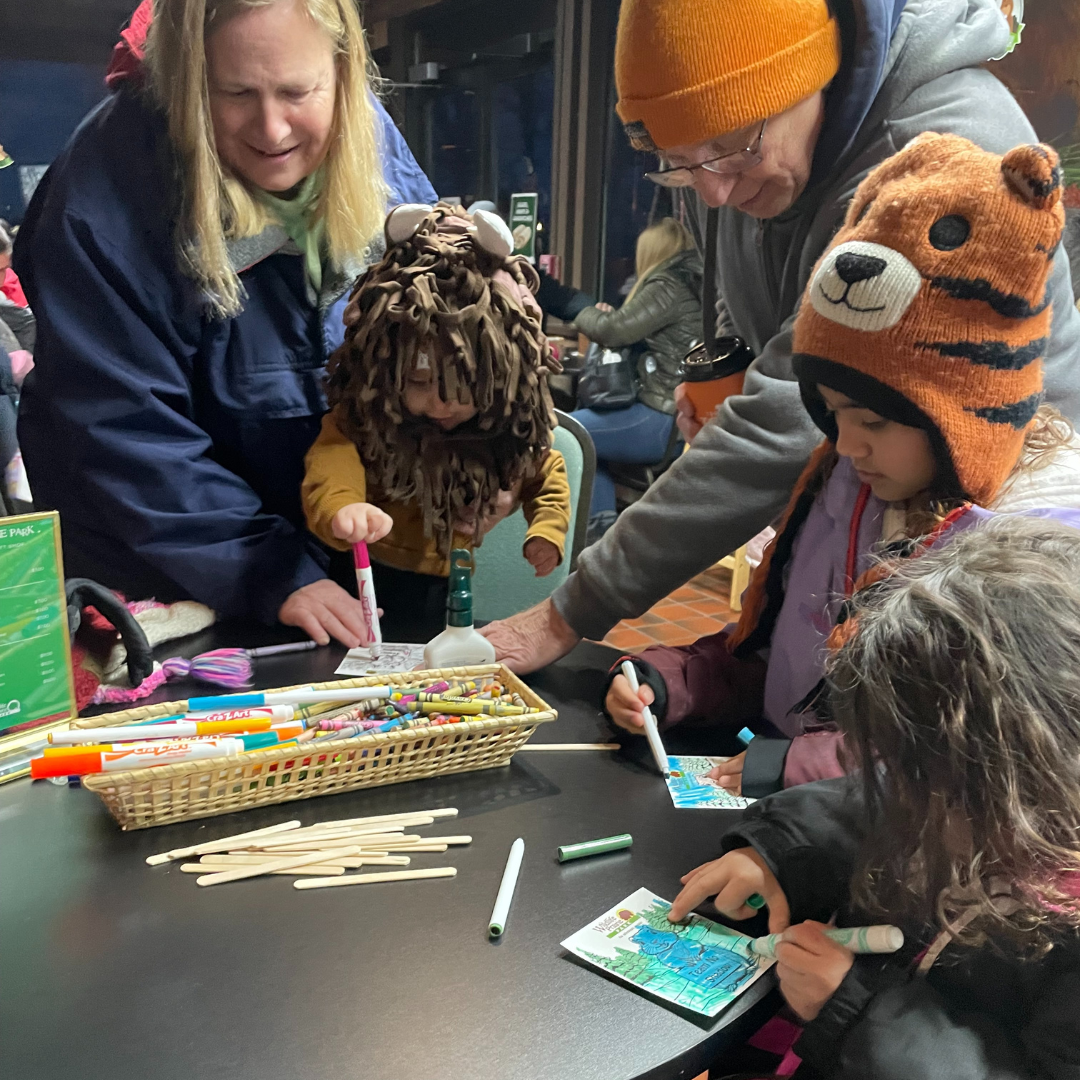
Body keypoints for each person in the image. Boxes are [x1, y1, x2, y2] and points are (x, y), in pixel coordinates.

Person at [480, 0, 1080, 673]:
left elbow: (787, 415)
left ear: (813, 75)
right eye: (679, 165)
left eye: (733, 149)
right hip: (863, 501)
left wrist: (572, 610)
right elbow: (758, 300)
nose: (712, 193)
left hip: (987, 551)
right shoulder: (743, 158)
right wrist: (733, 365)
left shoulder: (938, 149)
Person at [604, 135, 1080, 797]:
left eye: (875, 420)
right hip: (786, 819)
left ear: (960, 411)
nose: (846, 443)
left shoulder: (1012, 556)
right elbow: (777, 662)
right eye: (832, 412)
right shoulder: (842, 482)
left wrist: (795, 770)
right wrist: (670, 680)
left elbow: (958, 755)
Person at [13, 0, 436, 647]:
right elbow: (123, 430)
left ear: (343, 72)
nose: (272, 129)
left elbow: (432, 322)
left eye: (298, 92)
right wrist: (272, 572)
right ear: (185, 80)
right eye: (234, 93)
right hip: (156, 570)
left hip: (335, 536)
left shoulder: (368, 137)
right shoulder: (100, 192)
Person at [667, 515, 1080, 1080]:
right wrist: (773, 853)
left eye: (922, 777)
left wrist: (854, 1009)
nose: (898, 788)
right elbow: (868, 804)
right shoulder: (961, 797)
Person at [301, 203, 571, 641]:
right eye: (419, 380)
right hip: (361, 577)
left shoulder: (506, 433)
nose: (442, 403)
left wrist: (547, 530)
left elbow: (546, 473)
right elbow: (333, 458)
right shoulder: (367, 422)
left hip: (452, 577)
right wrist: (342, 509)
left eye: (465, 385)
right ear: (384, 367)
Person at [570, 217, 701, 541]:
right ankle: (598, 532)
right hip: (677, 417)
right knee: (586, 447)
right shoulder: (692, 282)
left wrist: (577, 310)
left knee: (566, 434)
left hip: (659, 419)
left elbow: (613, 331)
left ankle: (599, 535)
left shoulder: (667, 285)